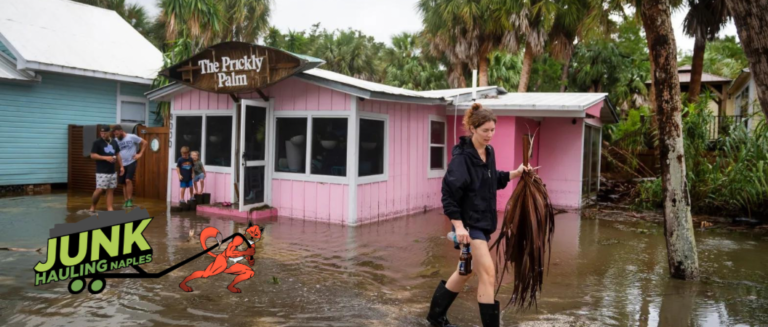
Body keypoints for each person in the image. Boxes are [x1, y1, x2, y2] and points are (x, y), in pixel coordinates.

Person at [427, 103, 531, 327]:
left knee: (466, 271)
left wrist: (517, 173)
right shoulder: (462, 159)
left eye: (493, 130)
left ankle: (435, 318)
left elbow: (491, 180)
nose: (490, 135)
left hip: (483, 223)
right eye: (485, 130)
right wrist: (459, 226)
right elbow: (448, 195)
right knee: (488, 272)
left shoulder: (488, 152)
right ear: (472, 129)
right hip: (468, 224)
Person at [89, 125, 123, 212]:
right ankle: (93, 206)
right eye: (101, 133)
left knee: (110, 190)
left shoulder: (114, 142)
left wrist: (122, 166)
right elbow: (92, 155)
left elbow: (118, 154)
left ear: (109, 132)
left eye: (105, 133)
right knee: (100, 189)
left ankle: (110, 208)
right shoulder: (97, 142)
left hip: (112, 171)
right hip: (101, 171)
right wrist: (106, 158)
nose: (103, 135)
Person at [112, 125, 146, 208]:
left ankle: (130, 199)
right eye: (115, 135)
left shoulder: (131, 137)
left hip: (131, 161)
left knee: (128, 180)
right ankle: (126, 200)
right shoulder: (115, 141)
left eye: (117, 134)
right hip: (121, 164)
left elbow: (145, 142)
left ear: (121, 131)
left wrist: (140, 154)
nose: (116, 136)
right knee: (123, 183)